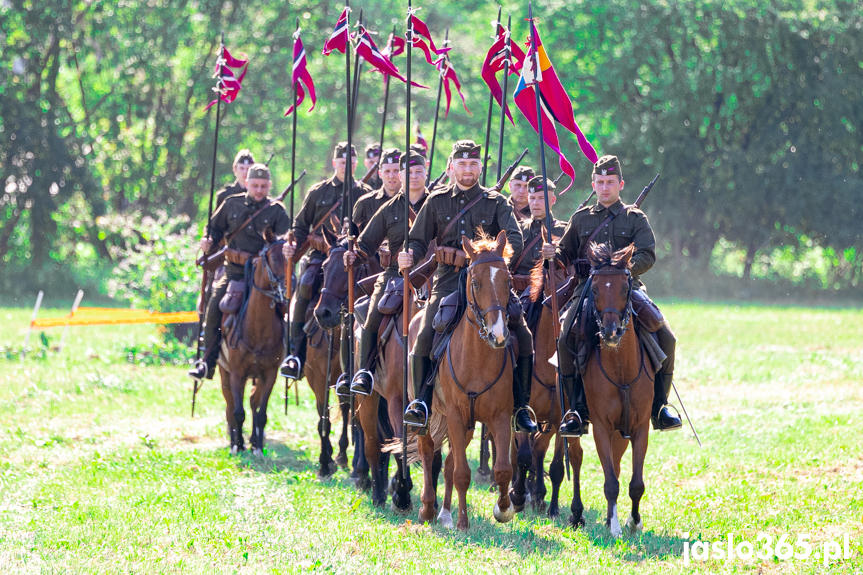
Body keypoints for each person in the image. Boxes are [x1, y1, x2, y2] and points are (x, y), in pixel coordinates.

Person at [398, 139, 538, 434]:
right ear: (451, 168)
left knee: (523, 334)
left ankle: (521, 407)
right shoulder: (436, 202)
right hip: (448, 282)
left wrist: (482, 253)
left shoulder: (496, 202)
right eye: (462, 164)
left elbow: (514, 239)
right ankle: (421, 404)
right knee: (424, 335)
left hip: (489, 283)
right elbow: (416, 239)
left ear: (480, 168)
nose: (468, 170)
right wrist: (408, 252)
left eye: (473, 164)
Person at [540, 154, 682, 436]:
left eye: (610, 182)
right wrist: (552, 254)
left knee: (667, 336)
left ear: (620, 184)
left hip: (628, 289)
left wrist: (622, 270)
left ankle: (659, 407)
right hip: (587, 291)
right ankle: (576, 409)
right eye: (600, 182)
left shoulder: (634, 218)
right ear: (593, 183)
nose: (605, 187)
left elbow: (648, 254)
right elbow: (564, 254)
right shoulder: (581, 219)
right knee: (567, 337)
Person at [188, 163, 291, 380]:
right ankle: (207, 361)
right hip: (233, 272)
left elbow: (282, 241)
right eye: (255, 185)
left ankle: (289, 357)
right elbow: (214, 228)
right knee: (214, 306)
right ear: (247, 184)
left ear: (269, 186)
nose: (259, 190)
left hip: (265, 276)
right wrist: (208, 240)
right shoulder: (231, 204)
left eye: (263, 186)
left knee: (288, 308)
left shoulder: (276, 210)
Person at [280, 142, 373, 379]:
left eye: (351, 162)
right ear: (335, 163)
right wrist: (292, 245)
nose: (346, 166)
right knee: (306, 284)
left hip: (354, 260)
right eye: (342, 162)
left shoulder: (365, 194)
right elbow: (300, 226)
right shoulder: (318, 192)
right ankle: (296, 355)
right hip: (321, 257)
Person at [344, 151, 429, 395]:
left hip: (434, 274)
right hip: (394, 274)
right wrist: (353, 254)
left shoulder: (438, 202)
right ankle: (365, 372)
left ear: (426, 173)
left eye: (418, 172)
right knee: (373, 315)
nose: (413, 177)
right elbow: (366, 243)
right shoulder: (389, 208)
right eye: (408, 173)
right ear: (401, 176)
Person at [510, 176, 566, 293]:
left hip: (550, 296)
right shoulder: (517, 229)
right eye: (532, 198)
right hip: (518, 295)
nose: (536, 203)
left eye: (541, 198)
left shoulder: (564, 231)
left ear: (553, 200)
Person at [352, 148, 402, 230]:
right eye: (387, 171)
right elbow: (352, 238)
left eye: (396, 171)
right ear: (380, 173)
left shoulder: (413, 201)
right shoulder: (365, 203)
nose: (391, 176)